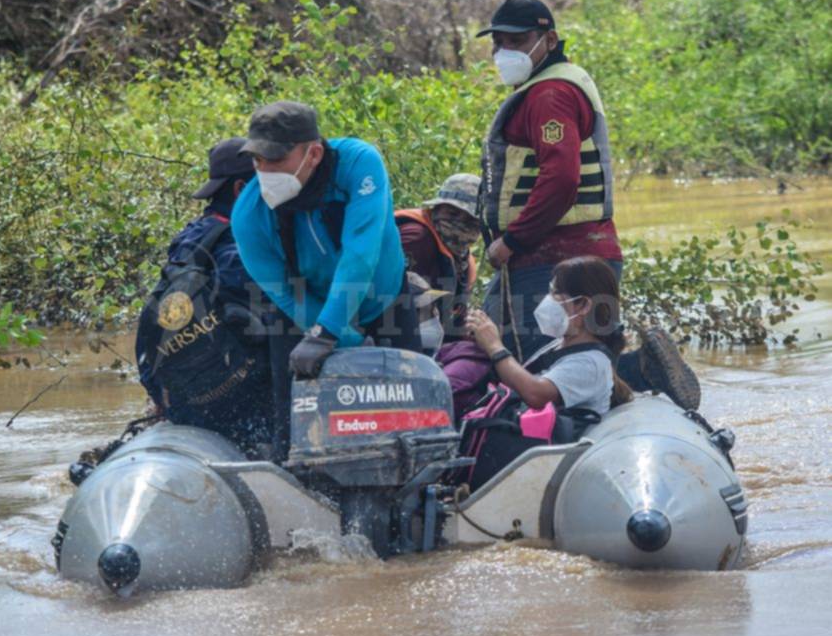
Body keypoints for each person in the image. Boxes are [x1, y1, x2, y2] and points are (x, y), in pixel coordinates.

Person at [476, 0, 700, 410]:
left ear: (549, 39)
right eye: (498, 42)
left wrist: (513, 240)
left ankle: (632, 373)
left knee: (515, 357)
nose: (504, 52)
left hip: (552, 257)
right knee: (573, 359)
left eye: (517, 40)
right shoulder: (557, 84)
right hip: (583, 254)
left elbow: (561, 178)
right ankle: (638, 372)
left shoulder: (550, 95)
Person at [232, 101, 421, 458]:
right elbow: (284, 294)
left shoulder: (358, 164)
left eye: (275, 159)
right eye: (258, 160)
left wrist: (331, 333)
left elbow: (360, 254)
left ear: (313, 153)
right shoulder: (249, 213)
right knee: (293, 421)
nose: (264, 170)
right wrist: (340, 338)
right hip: (305, 309)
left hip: (384, 302)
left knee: (406, 413)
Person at [135, 137, 273, 456]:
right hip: (239, 409)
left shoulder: (191, 239)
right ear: (241, 189)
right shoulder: (238, 252)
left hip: (188, 403)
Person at [465, 255, 632, 416]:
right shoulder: (561, 344)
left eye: (556, 293)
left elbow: (536, 394)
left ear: (584, 305)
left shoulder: (591, 363)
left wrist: (495, 347)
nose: (548, 300)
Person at [396, 173, 482, 338]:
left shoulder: (464, 261)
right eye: (452, 214)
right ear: (437, 209)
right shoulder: (417, 237)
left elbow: (455, 313)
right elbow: (397, 300)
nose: (460, 223)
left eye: (470, 220)